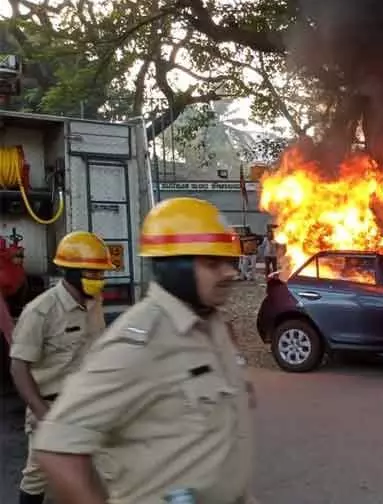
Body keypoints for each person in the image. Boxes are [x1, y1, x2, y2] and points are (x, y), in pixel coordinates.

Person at [33, 197, 256, 504]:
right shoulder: (138, 343)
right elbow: (56, 448)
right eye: (212, 263)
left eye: (229, 262)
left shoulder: (212, 324)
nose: (230, 273)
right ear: (175, 267)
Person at [8, 231, 114, 504]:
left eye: (101, 274)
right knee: (37, 474)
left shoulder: (95, 303)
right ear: (70, 271)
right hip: (51, 405)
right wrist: (45, 415)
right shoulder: (40, 311)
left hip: (88, 403)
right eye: (92, 273)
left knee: (101, 469)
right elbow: (19, 368)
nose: (99, 280)